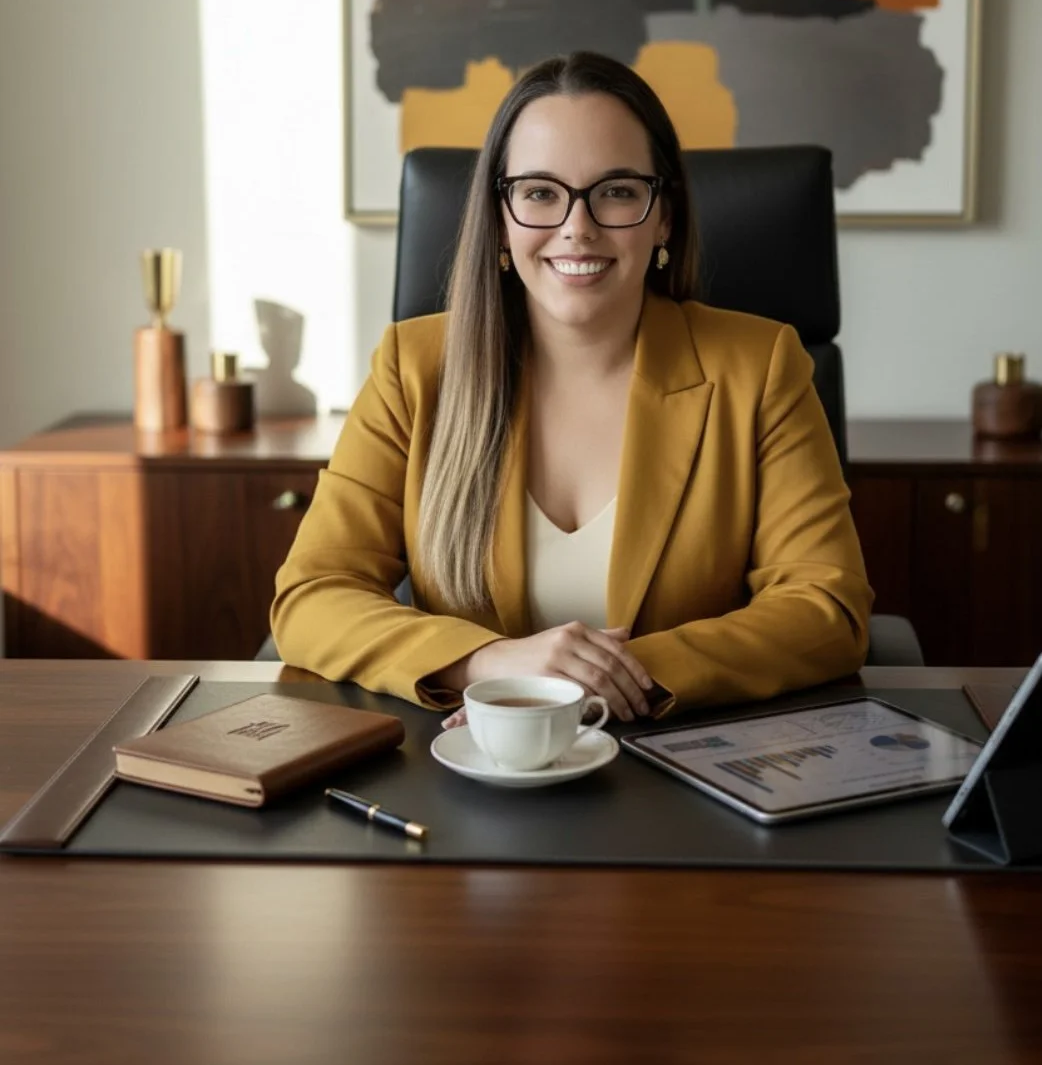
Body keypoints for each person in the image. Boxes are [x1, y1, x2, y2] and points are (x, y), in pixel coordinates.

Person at [271, 52, 873, 722]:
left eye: (616, 190)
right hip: (470, 769)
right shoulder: (413, 368)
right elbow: (313, 593)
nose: (576, 227)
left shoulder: (760, 367)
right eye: (539, 192)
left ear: (663, 216)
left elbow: (827, 607)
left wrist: (608, 678)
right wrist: (490, 663)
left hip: (683, 769)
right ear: (500, 216)